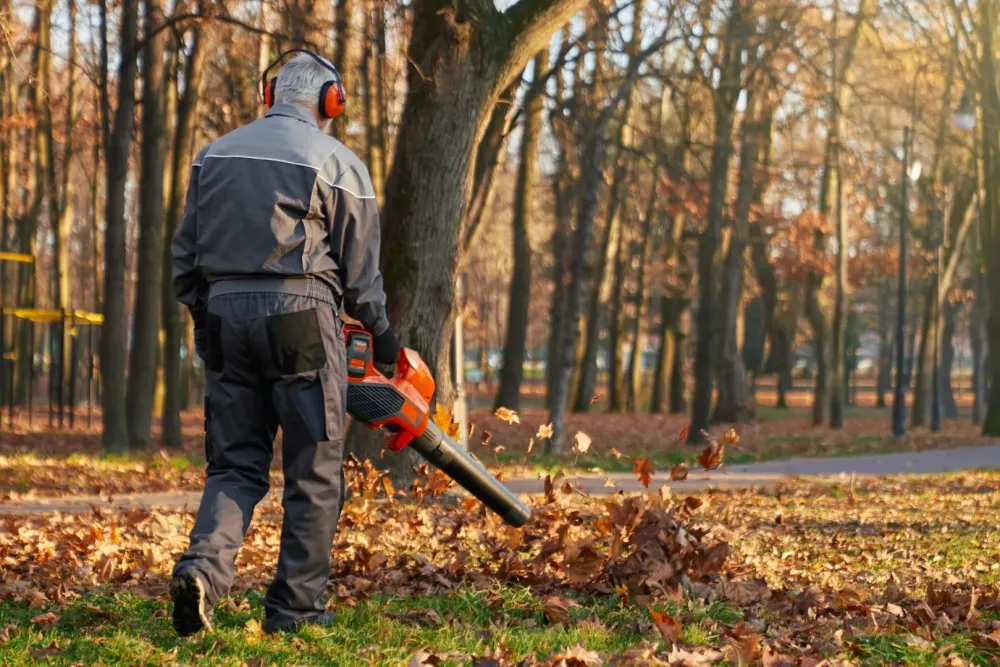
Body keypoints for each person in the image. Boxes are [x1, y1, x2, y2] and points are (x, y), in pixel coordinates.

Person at [168, 51, 399, 636]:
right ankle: (294, 611)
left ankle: (202, 571)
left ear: (269, 94)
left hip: (224, 315)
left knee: (234, 466)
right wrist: (387, 342)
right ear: (330, 101)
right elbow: (362, 278)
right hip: (300, 317)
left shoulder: (212, 155)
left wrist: (207, 323)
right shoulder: (338, 163)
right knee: (313, 472)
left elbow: (185, 263)